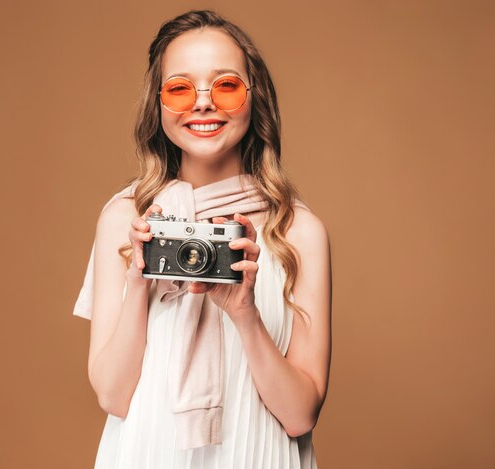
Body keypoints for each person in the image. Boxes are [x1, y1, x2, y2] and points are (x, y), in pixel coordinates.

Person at [72, 9, 332, 469]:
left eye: (226, 86)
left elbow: (300, 415)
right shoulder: (126, 219)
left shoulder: (297, 232)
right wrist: (139, 278)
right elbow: (113, 395)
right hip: (149, 453)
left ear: (256, 100)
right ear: (159, 104)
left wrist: (246, 315)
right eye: (180, 88)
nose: (203, 103)